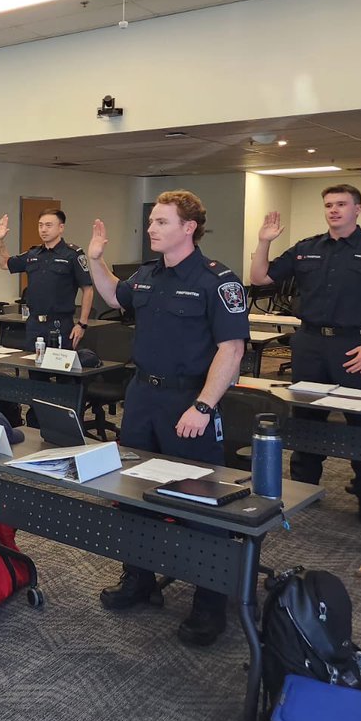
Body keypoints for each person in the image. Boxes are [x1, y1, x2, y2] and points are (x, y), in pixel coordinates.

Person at [86, 190, 248, 646]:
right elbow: (114, 298)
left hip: (189, 400)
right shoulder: (146, 276)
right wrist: (96, 259)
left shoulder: (218, 280)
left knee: (198, 503)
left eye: (161, 222)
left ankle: (209, 603)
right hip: (142, 398)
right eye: (152, 221)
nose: (152, 228)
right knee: (133, 492)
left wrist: (203, 405)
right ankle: (138, 579)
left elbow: (231, 350)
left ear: (188, 227)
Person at [249, 184, 361, 527]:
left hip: (356, 348)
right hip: (310, 346)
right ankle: (301, 493)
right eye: (328, 205)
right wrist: (264, 241)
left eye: (341, 204)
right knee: (306, 423)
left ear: (357, 209)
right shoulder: (307, 248)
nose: (334, 210)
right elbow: (260, 277)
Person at [0, 209, 94, 350]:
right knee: (34, 368)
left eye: (48, 225)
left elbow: (88, 289)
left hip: (60, 323)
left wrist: (82, 324)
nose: (43, 230)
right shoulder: (33, 254)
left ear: (61, 228)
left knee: (60, 369)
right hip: (34, 324)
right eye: (40, 225)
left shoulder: (72, 255)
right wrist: (0, 240)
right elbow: (4, 263)